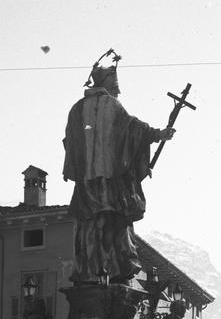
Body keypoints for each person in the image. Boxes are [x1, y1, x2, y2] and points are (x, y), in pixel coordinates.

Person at [60, 53, 174, 284]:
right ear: (107, 84)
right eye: (116, 86)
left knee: (89, 224)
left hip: (86, 183)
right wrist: (157, 134)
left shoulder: (76, 109)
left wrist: (74, 168)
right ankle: (119, 268)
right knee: (117, 222)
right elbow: (133, 129)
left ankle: (88, 270)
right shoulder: (111, 105)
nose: (119, 91)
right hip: (111, 180)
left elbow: (69, 142)